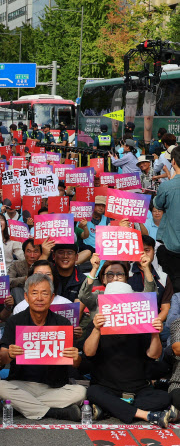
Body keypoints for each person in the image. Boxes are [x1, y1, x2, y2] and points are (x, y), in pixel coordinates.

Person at [0, 274, 86, 421]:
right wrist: (9, 354)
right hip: (22, 384)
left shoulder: (63, 323)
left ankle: (24, 406)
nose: (39, 298)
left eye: (44, 293)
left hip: (55, 387)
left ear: (52, 297)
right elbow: (2, 357)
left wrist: (76, 358)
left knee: (81, 392)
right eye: (34, 293)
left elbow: (76, 363)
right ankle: (54, 412)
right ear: (26, 297)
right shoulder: (14, 321)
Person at [84, 284, 175, 427]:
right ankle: (145, 415)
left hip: (137, 390)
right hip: (106, 386)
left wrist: (155, 333)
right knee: (93, 392)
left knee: (163, 398)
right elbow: (88, 352)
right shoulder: (97, 324)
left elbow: (154, 355)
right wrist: (96, 330)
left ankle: (109, 409)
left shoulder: (141, 324)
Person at [154, 146, 180, 291]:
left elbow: (158, 204)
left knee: (171, 284)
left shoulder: (167, 187)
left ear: (174, 162)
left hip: (171, 245)